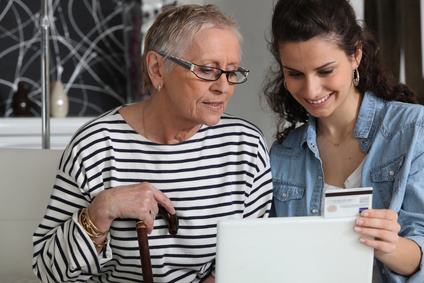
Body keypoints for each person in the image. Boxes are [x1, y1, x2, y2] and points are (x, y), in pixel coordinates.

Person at [33, 4, 273, 282]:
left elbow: (248, 260)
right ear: (158, 69)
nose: (223, 87)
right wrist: (100, 211)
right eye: (207, 70)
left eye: (232, 72)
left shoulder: (245, 147)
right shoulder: (95, 145)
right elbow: (48, 271)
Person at [263, 0, 424, 282]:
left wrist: (389, 245)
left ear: (356, 56)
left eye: (325, 71)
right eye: (295, 74)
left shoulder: (412, 129)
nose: (311, 89)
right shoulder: (282, 155)